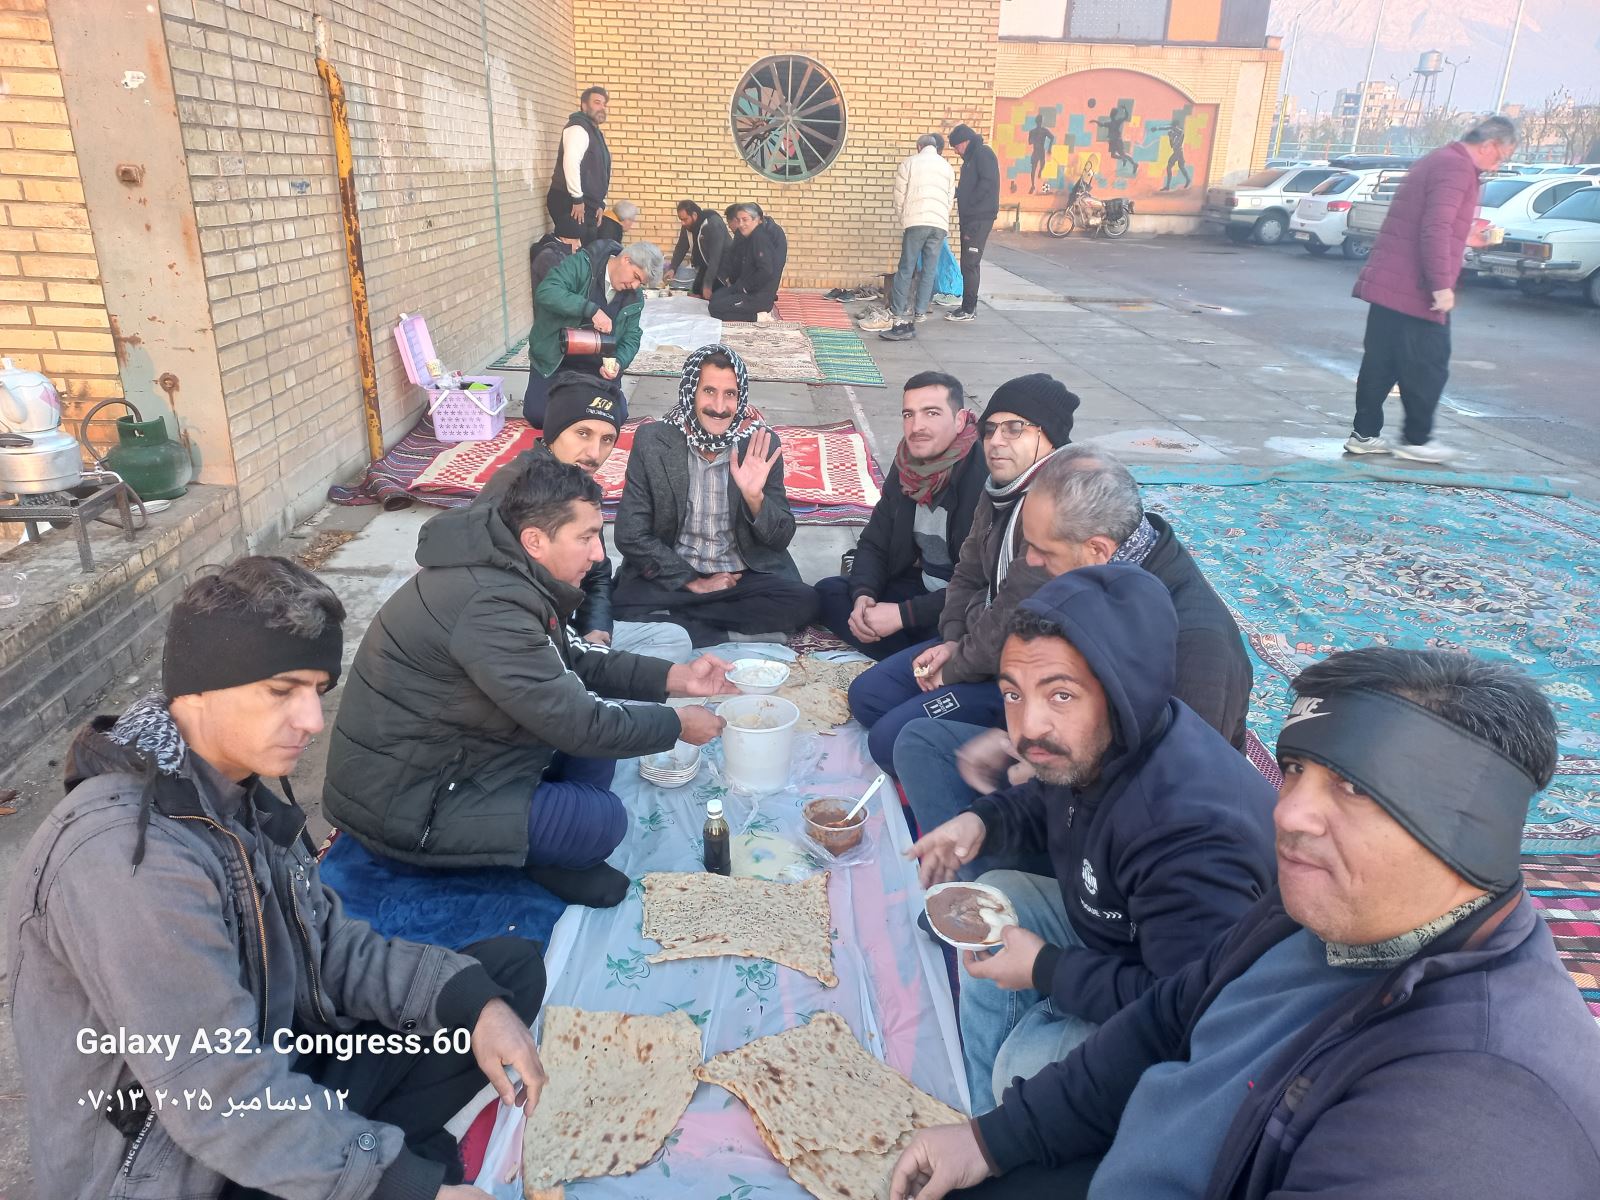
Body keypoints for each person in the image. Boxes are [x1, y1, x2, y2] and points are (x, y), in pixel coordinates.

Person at [889, 647, 1600, 1200]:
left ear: (1466, 834)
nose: (1288, 813)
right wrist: (992, 1140)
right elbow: (1167, 1017)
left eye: (1353, 787)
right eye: (1295, 771)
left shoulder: (1471, 1117)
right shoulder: (1312, 910)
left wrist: (1047, 970)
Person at [8, 556, 550, 1200]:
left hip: (276, 1063)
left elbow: (331, 948)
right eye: (282, 690)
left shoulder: (233, 794)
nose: (313, 721)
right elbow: (217, 1090)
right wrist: (405, 1188)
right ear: (199, 688)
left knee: (502, 978)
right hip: (188, 1163)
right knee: (398, 1168)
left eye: (316, 691)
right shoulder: (125, 858)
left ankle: (358, 1153)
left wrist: (472, 1003)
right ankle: (368, 1161)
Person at [908, 566, 1277, 1114]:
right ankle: (985, 1119)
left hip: (1202, 1023)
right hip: (1123, 934)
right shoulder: (1104, 740)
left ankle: (1014, 1122)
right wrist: (982, 821)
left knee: (1026, 1065)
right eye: (1013, 694)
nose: (1028, 728)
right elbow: (1050, 797)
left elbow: (1190, 1010)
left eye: (1061, 695)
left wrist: (1048, 969)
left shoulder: (1191, 835)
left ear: (1122, 689)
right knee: (991, 900)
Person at [324, 455, 732, 910]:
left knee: (597, 737)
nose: (599, 555)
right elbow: (580, 723)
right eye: (586, 538)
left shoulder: (509, 573)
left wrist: (677, 677)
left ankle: (534, 843)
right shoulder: (489, 605)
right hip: (410, 804)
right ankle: (525, 853)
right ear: (535, 540)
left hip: (465, 754)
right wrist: (677, 726)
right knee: (601, 820)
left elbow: (574, 659)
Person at [896, 446, 1256, 842]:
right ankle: (961, 856)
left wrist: (1042, 771)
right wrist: (1017, 740)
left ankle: (983, 872)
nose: (1030, 562)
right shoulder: (1094, 574)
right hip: (1064, 765)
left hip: (1128, 822)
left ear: (1097, 550)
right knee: (918, 743)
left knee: (984, 829)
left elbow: (1173, 793)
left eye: (1041, 550)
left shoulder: (1199, 648)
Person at [847, 374, 1076, 772]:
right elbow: (967, 575)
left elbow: (1012, 614)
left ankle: (1022, 759)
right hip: (972, 637)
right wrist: (952, 641)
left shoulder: (1058, 508)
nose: (997, 441)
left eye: (1015, 428)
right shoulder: (998, 488)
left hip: (1022, 672)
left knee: (890, 741)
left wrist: (953, 664)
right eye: (991, 429)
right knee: (868, 697)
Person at [477, 373, 693, 662]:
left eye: (607, 439)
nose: (594, 453)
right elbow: (492, 595)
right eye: (583, 433)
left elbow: (598, 571)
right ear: (555, 430)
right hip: (526, 638)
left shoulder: (576, 483)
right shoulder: (516, 492)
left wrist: (596, 627)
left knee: (673, 638)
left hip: (571, 627)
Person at [611, 344, 819, 644]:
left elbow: (780, 538)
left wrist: (755, 498)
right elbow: (630, 534)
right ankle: (730, 633)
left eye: (730, 394)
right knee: (621, 602)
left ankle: (680, 625)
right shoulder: (653, 441)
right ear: (690, 392)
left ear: (741, 396)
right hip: (675, 574)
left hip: (741, 578)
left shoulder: (760, 445)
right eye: (709, 391)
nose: (719, 407)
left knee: (805, 602)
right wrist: (693, 581)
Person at [1346, 114, 1517, 463]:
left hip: (1391, 281)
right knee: (1429, 364)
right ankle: (1417, 440)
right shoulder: (1456, 168)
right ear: (1488, 145)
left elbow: (1429, 222)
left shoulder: (1438, 159)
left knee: (1382, 360)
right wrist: (1441, 286)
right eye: (1501, 157)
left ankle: (1364, 434)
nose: (1498, 166)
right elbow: (1435, 228)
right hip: (1416, 288)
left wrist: (1465, 236)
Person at [815, 372, 985, 659]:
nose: (917, 427)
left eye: (932, 413)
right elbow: (874, 541)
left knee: (969, 635)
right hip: (920, 586)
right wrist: (864, 596)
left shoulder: (982, 477)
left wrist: (904, 616)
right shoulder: (907, 466)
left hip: (961, 606)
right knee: (829, 592)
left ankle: (920, 657)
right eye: (909, 414)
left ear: (959, 420)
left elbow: (982, 587)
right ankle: (915, 658)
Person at [522, 238, 660, 427]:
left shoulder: (634, 297)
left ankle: (576, 405)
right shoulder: (581, 265)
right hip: (557, 360)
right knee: (539, 415)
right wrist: (590, 310)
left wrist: (618, 362)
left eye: (640, 283)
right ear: (626, 259)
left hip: (597, 369)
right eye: (636, 276)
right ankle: (578, 406)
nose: (635, 286)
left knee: (615, 416)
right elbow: (547, 291)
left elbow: (632, 337)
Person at [879, 133, 956, 341]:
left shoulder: (909, 163)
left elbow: (899, 196)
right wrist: (941, 218)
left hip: (915, 222)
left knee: (906, 268)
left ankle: (898, 310)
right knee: (929, 269)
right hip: (938, 224)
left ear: (919, 147)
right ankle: (920, 311)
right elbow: (950, 199)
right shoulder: (947, 167)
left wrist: (904, 219)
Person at [946, 124, 1000, 324]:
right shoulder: (970, 160)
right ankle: (966, 305)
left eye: (956, 147)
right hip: (970, 218)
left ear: (965, 142)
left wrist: (970, 202)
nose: (956, 151)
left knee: (970, 263)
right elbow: (967, 188)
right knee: (967, 264)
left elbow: (987, 183)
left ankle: (969, 308)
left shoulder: (983, 154)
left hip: (979, 218)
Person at [546, 85, 611, 243]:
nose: (602, 108)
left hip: (586, 203)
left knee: (588, 248)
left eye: (604, 104)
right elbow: (571, 162)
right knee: (575, 248)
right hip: (570, 201)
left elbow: (600, 171)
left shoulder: (594, 132)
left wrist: (600, 203)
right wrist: (577, 199)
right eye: (597, 102)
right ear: (584, 105)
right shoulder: (577, 128)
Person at [710, 203, 787, 322]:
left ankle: (757, 317)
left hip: (757, 295)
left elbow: (766, 271)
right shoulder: (749, 235)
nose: (741, 224)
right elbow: (735, 258)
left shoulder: (760, 239)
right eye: (738, 220)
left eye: (745, 220)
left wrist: (745, 288)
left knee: (715, 309)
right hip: (746, 288)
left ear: (756, 220)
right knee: (715, 298)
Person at [669, 199, 734, 301]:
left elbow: (715, 257)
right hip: (706, 266)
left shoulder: (713, 224)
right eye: (680, 219)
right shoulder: (687, 226)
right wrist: (673, 268)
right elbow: (681, 247)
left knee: (712, 298)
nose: (682, 223)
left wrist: (708, 284)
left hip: (722, 268)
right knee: (696, 292)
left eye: (685, 219)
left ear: (694, 215)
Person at [1026, 112, 1056, 194]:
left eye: (1040, 121)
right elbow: (1029, 142)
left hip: (1041, 151)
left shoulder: (1044, 131)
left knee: (1042, 165)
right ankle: (1033, 185)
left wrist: (1049, 148)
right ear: (1037, 122)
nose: (1039, 123)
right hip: (1036, 151)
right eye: (1039, 121)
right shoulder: (1032, 132)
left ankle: (1039, 171)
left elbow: (1052, 137)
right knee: (1033, 169)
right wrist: (1034, 140)